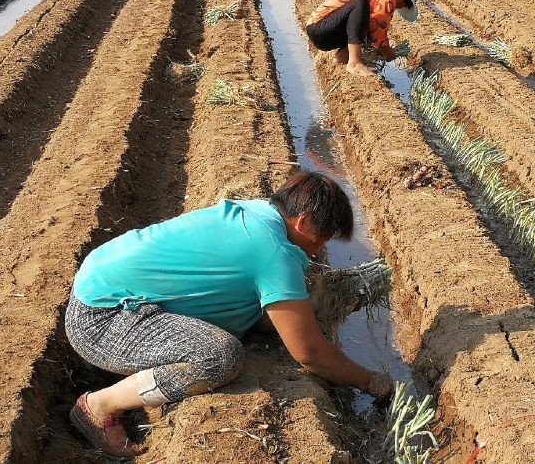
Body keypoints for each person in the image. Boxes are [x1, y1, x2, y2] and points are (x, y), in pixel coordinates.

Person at [65, 172, 393, 458]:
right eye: (319, 240)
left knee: (264, 315)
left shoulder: (259, 212)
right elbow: (309, 354)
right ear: (303, 221)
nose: (316, 250)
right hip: (103, 320)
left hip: (103, 287)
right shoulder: (275, 253)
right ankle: (99, 406)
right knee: (220, 357)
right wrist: (369, 381)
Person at [305, 0, 420, 77]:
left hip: (324, 30)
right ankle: (354, 63)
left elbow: (370, 27)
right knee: (361, 3)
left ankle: (341, 58)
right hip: (320, 28)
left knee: (366, 24)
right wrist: (389, 53)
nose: (401, 7)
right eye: (406, 5)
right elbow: (378, 31)